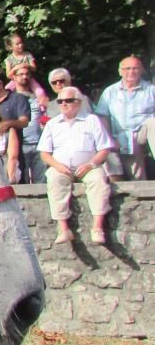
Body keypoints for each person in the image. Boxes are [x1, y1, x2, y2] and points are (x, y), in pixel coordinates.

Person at [38, 86, 115, 245]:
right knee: (54, 179)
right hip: (61, 167)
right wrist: (57, 165)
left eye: (68, 100)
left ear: (78, 102)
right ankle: (63, 229)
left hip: (88, 166)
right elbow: (44, 153)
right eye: (60, 101)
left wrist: (90, 164)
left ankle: (97, 227)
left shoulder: (92, 120)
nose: (64, 104)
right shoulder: (52, 124)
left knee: (99, 179)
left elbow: (105, 148)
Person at [95, 56, 155, 180]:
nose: (131, 72)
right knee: (137, 177)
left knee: (152, 122)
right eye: (127, 68)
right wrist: (109, 139)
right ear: (120, 71)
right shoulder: (110, 92)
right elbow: (103, 116)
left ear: (142, 70)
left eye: (135, 68)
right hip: (120, 137)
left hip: (143, 135)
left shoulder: (151, 90)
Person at [11, 64, 47, 183]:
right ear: (14, 78)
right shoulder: (11, 99)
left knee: (42, 182)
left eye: (27, 74)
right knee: (22, 182)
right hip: (21, 145)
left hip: (39, 144)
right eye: (20, 74)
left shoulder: (39, 98)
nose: (24, 76)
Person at [3, 33, 49, 105]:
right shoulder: (9, 60)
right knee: (5, 92)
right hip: (15, 81)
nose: (20, 45)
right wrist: (15, 68)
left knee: (40, 91)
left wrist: (26, 65)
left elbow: (34, 69)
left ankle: (42, 107)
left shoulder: (27, 55)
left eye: (21, 43)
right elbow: (8, 75)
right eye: (17, 44)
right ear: (11, 47)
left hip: (29, 78)